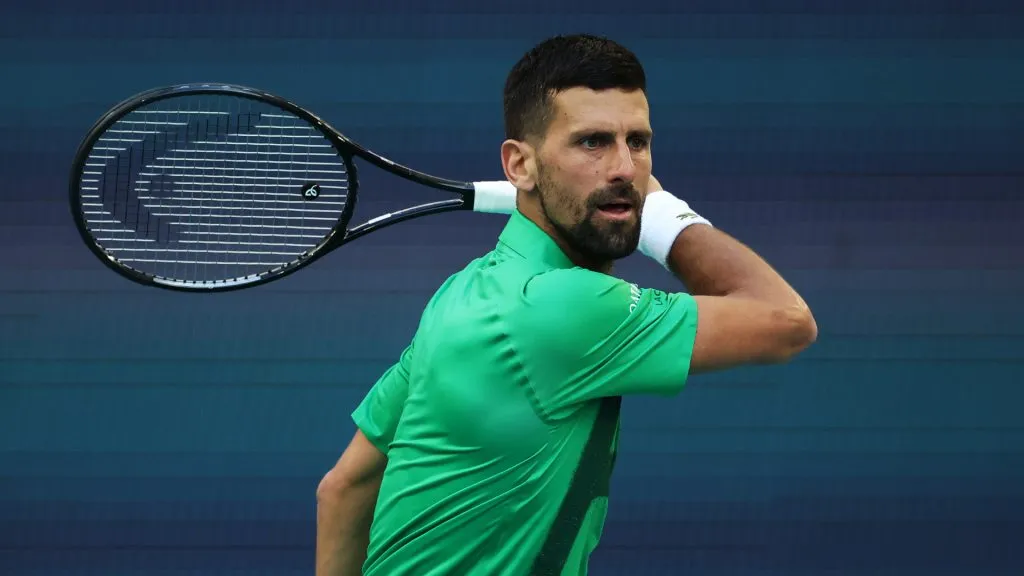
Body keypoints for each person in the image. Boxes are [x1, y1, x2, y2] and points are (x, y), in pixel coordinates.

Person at [314, 34, 817, 576]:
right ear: (520, 165)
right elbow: (787, 321)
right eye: (592, 142)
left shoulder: (462, 294)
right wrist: (664, 216)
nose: (625, 167)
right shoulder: (558, 307)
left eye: (638, 141)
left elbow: (344, 488)